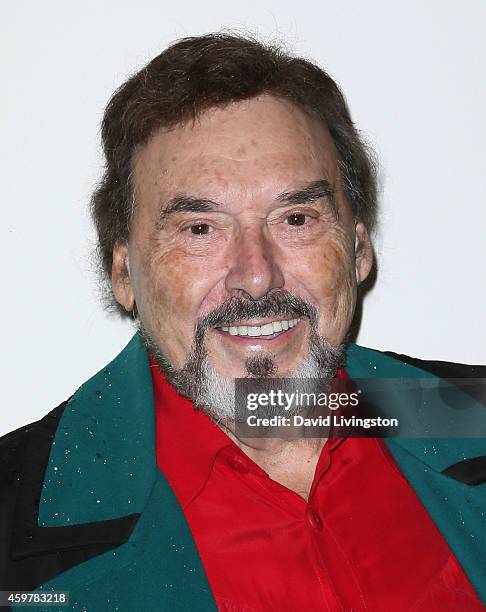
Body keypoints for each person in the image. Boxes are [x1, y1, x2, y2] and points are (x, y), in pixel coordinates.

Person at [1, 33, 485, 611]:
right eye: (199, 229)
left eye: (296, 217)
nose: (256, 277)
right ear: (124, 272)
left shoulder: (471, 419)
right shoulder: (15, 531)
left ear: (358, 251)